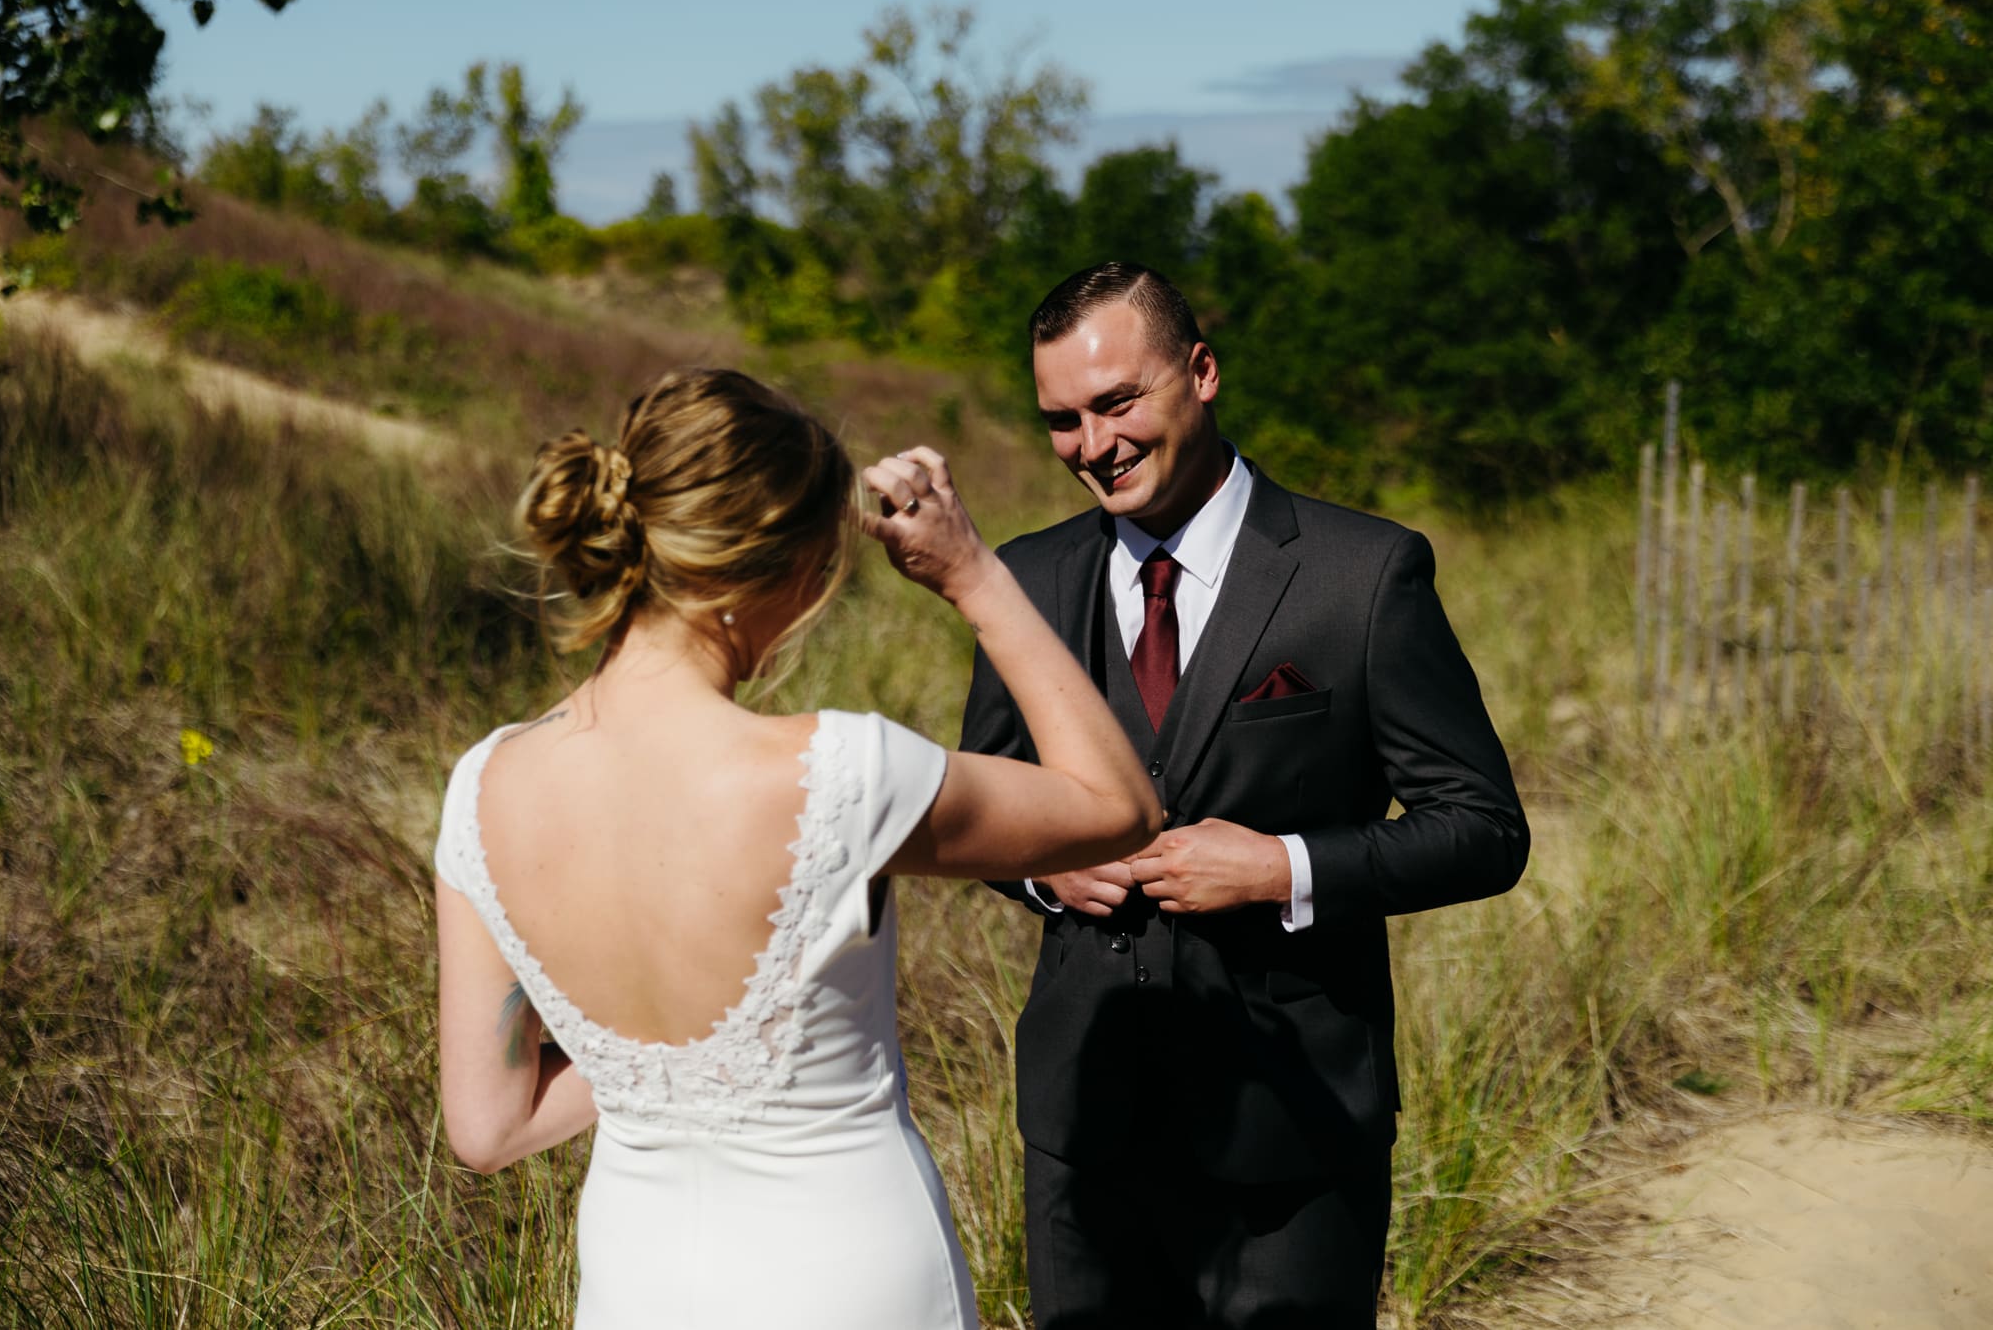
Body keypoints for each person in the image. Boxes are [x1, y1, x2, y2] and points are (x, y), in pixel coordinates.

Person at [431, 368, 1159, 1328]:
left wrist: (649, 1067)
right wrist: (975, 576)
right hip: (847, 1275)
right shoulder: (837, 773)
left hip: (638, 1279)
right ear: (766, 569)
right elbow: (1116, 805)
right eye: (819, 570)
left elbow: (488, 1129)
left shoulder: (484, 787)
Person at [958, 263, 1530, 1328]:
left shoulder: (1362, 575)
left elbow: (1483, 830)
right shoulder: (1023, 583)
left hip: (1294, 1137)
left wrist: (1283, 867)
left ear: (1202, 371)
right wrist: (1042, 865)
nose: (1093, 446)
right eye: (1061, 421)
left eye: (1117, 402)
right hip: (1085, 1133)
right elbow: (982, 806)